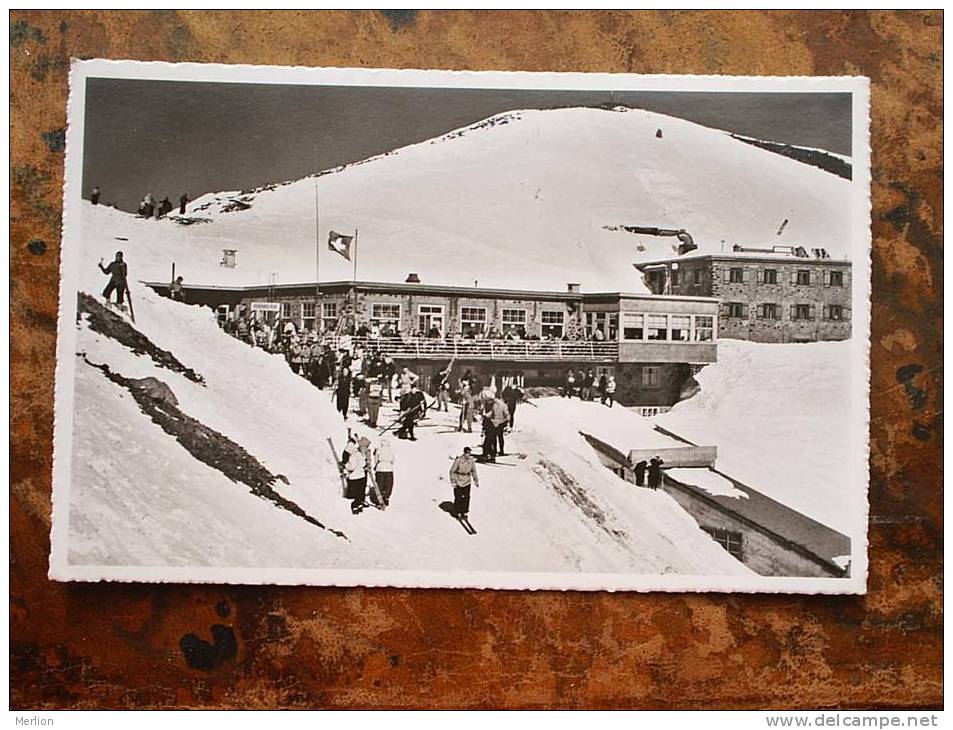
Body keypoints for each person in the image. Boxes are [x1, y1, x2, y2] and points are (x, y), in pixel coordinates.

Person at [449, 446, 480, 519]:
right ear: (464, 453)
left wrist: (476, 480)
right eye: (467, 453)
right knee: (459, 497)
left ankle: (464, 511)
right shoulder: (459, 460)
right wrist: (453, 481)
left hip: (467, 480)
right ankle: (458, 511)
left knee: (467, 497)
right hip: (459, 480)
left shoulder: (471, 461)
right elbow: (452, 471)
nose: (468, 454)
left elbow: (473, 471)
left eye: (469, 453)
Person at [342, 439, 368, 514]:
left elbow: (351, 467)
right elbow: (363, 464)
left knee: (355, 493)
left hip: (354, 477)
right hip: (361, 476)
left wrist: (345, 465)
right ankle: (359, 504)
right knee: (360, 492)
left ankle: (355, 506)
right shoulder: (359, 454)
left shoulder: (352, 456)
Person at [373, 438, 395, 507]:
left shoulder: (379, 450)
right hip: (389, 468)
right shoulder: (390, 450)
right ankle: (386, 497)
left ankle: (379, 497)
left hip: (380, 468)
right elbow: (393, 460)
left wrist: (377, 465)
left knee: (380, 483)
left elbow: (376, 459)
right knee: (388, 484)